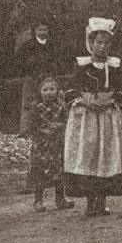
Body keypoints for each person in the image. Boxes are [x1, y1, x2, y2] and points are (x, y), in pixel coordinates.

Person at [62, 17, 122, 217]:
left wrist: (111, 99)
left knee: (106, 157)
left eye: (106, 43)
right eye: (98, 42)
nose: (102, 47)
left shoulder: (115, 67)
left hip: (108, 119)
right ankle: (90, 202)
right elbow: (70, 92)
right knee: (88, 156)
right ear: (90, 43)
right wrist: (84, 100)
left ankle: (101, 202)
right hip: (86, 120)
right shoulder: (82, 66)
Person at [28, 76, 74, 212]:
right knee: (40, 172)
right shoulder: (36, 107)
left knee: (59, 171)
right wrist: (46, 130)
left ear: (57, 91)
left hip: (58, 144)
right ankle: (38, 200)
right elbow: (32, 126)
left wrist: (59, 127)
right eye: (45, 90)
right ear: (40, 92)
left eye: (52, 89)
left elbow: (67, 122)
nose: (49, 92)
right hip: (41, 145)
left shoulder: (61, 106)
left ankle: (60, 199)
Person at [18, 22, 56, 137]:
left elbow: (55, 61)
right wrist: (30, 72)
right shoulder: (28, 45)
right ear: (35, 31)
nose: (42, 32)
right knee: (29, 103)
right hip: (32, 78)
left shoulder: (51, 45)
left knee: (48, 102)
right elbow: (21, 61)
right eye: (39, 30)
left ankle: (46, 128)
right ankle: (25, 131)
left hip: (47, 78)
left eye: (44, 30)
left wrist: (50, 74)